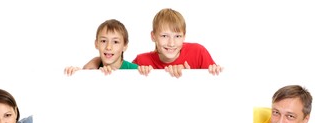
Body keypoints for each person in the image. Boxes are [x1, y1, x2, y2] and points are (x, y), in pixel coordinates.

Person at [83, 8, 223, 78]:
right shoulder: (142, 61)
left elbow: (216, 83)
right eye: (164, 36)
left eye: (177, 36)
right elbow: (120, 70)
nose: (171, 43)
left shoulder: (198, 52)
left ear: (184, 37)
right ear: (153, 36)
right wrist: (96, 61)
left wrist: (190, 78)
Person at [64, 19, 138, 76]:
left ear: (125, 46)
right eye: (103, 41)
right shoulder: (91, 70)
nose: (108, 47)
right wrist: (77, 74)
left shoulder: (135, 70)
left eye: (115, 42)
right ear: (96, 44)